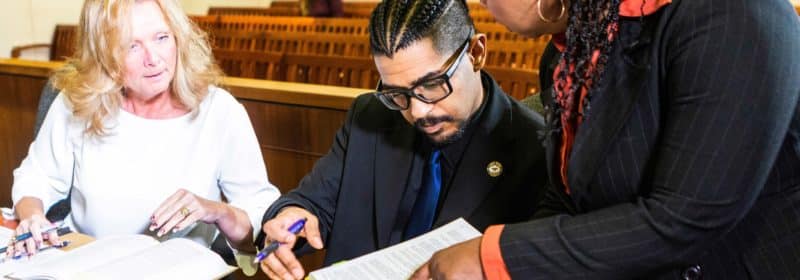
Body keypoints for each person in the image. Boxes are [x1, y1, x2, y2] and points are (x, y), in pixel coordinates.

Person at [414, 0, 800, 279]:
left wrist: (497, 257)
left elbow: (686, 218)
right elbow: (568, 195)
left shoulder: (733, 14)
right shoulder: (567, 53)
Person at [255, 0, 550, 279]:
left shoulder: (535, 147)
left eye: (433, 85)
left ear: (476, 53)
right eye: (398, 93)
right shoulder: (370, 117)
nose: (418, 111)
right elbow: (310, 202)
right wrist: (289, 216)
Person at [8, 0, 279, 270]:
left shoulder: (220, 111)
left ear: (178, 37)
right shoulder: (77, 102)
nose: (154, 59)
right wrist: (32, 216)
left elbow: (257, 209)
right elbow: (37, 176)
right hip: (84, 263)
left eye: (161, 38)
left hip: (177, 271)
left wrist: (216, 211)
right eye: (132, 46)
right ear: (104, 54)